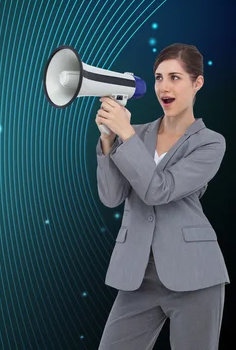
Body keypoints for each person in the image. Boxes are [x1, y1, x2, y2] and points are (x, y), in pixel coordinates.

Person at [94, 43, 229, 350]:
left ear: (198, 83)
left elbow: (160, 190)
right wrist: (107, 140)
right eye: (158, 78)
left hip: (196, 275)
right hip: (137, 275)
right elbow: (112, 196)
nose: (164, 87)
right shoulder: (136, 133)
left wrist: (125, 135)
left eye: (175, 78)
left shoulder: (210, 143)